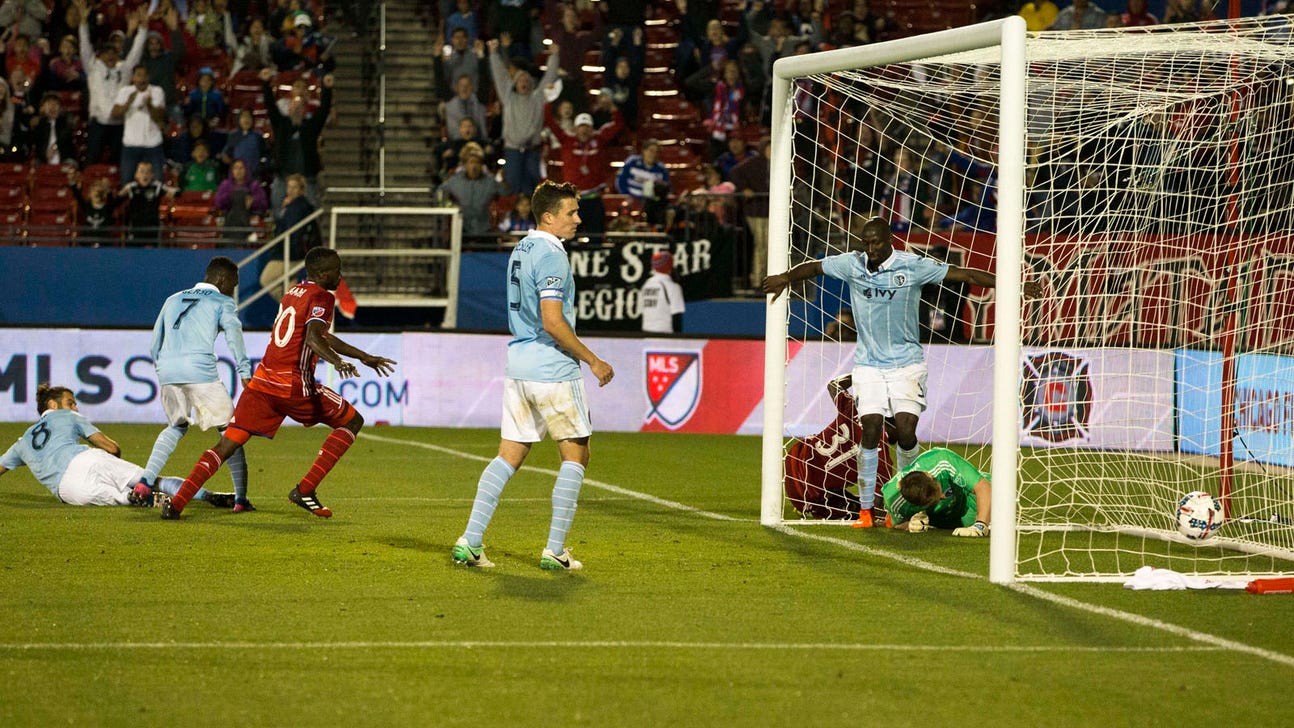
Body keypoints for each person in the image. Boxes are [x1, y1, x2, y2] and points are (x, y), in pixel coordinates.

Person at [763, 215, 1040, 527]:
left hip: (907, 364)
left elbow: (963, 275)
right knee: (870, 428)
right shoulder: (851, 264)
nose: (870, 249)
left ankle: (908, 497)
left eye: (875, 243)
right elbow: (814, 267)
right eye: (865, 243)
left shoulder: (912, 266)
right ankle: (867, 511)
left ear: (890, 240)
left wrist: (1013, 284)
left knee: (906, 431)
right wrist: (785, 277)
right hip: (868, 365)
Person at [161, 247, 398, 520]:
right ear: (322, 273)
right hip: (293, 385)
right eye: (336, 270)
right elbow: (313, 338)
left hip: (263, 384)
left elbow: (319, 334)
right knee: (352, 421)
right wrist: (337, 362)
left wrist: (364, 356)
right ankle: (305, 489)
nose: (340, 276)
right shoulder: (322, 297)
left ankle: (177, 503)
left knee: (227, 445)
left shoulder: (293, 292)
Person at [452, 181, 615, 570]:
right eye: (571, 212)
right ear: (548, 216)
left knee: (508, 455)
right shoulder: (552, 256)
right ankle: (555, 550)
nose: (578, 219)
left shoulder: (521, 248)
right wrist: (593, 360)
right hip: (553, 369)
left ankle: (471, 541)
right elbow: (553, 321)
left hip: (519, 367)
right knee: (576, 454)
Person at [140, 257, 256, 511]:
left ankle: (145, 481)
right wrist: (245, 370)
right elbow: (234, 337)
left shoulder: (173, 298)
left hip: (167, 370)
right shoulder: (222, 301)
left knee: (176, 426)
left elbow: (153, 343)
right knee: (232, 432)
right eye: (233, 284)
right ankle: (240, 499)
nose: (233, 289)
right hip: (200, 370)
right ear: (222, 280)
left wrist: (163, 368)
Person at [0, 384, 234, 508]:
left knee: (127, 499)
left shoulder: (21, 443)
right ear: (53, 404)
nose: (75, 408)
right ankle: (207, 496)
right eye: (70, 403)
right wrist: (117, 463)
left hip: (69, 491)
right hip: (87, 461)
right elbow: (110, 448)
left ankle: (138, 498)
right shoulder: (69, 417)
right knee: (151, 480)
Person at [486, 37, 559, 197]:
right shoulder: (508, 97)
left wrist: (554, 56)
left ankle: (531, 220)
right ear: (515, 83)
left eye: (526, 80)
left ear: (531, 83)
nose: (523, 82)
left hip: (532, 150)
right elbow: (500, 76)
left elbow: (549, 78)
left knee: (533, 188)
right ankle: (514, 219)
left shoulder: (538, 97)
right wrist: (493, 54)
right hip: (512, 150)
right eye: (520, 80)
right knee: (512, 188)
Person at [544, 100, 623, 242]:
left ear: (592, 129)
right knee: (568, 241)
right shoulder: (566, 140)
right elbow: (550, 122)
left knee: (597, 240)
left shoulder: (599, 140)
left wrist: (612, 107)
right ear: (575, 128)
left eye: (587, 127)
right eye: (581, 126)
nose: (584, 130)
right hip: (572, 201)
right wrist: (548, 102)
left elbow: (618, 124)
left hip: (594, 200)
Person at [80, 1, 147, 165]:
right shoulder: (93, 67)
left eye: (113, 53)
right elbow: (84, 47)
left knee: (118, 163)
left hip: (119, 123)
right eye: (106, 53)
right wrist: (83, 23)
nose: (110, 56)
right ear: (100, 55)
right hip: (98, 123)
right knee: (92, 161)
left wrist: (144, 28)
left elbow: (136, 51)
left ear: (118, 54)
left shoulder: (124, 68)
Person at [883, 447, 991, 537]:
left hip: (968, 499)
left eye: (940, 490)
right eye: (937, 498)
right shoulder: (893, 499)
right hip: (945, 521)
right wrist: (909, 525)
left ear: (928, 475)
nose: (943, 496)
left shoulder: (941, 459)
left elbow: (983, 486)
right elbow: (892, 522)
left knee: (1000, 493)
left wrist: (980, 526)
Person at [112, 64, 167, 185]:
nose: (142, 79)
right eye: (138, 75)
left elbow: (160, 117)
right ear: (133, 78)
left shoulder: (157, 91)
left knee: (158, 183)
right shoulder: (125, 91)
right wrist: (128, 103)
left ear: (149, 77)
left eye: (144, 75)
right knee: (126, 183)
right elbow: (114, 114)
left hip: (153, 144)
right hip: (131, 145)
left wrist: (149, 105)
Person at [438, 147, 506, 239]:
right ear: (465, 165)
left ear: (481, 165)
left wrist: (504, 180)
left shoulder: (490, 181)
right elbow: (440, 191)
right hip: (462, 228)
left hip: (485, 229)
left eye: (477, 162)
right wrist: (449, 205)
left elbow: (506, 192)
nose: (474, 166)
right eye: (471, 162)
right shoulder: (455, 181)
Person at [119, 160, 175, 245]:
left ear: (152, 175)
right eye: (142, 172)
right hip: (135, 228)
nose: (145, 175)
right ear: (136, 175)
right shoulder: (130, 188)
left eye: (148, 172)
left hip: (153, 228)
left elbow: (175, 193)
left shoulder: (157, 187)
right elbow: (116, 201)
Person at [640, 250, 685, 334]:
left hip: (646, 333)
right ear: (670, 266)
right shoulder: (673, 287)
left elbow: (642, 311)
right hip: (665, 335)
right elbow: (677, 317)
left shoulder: (646, 284)